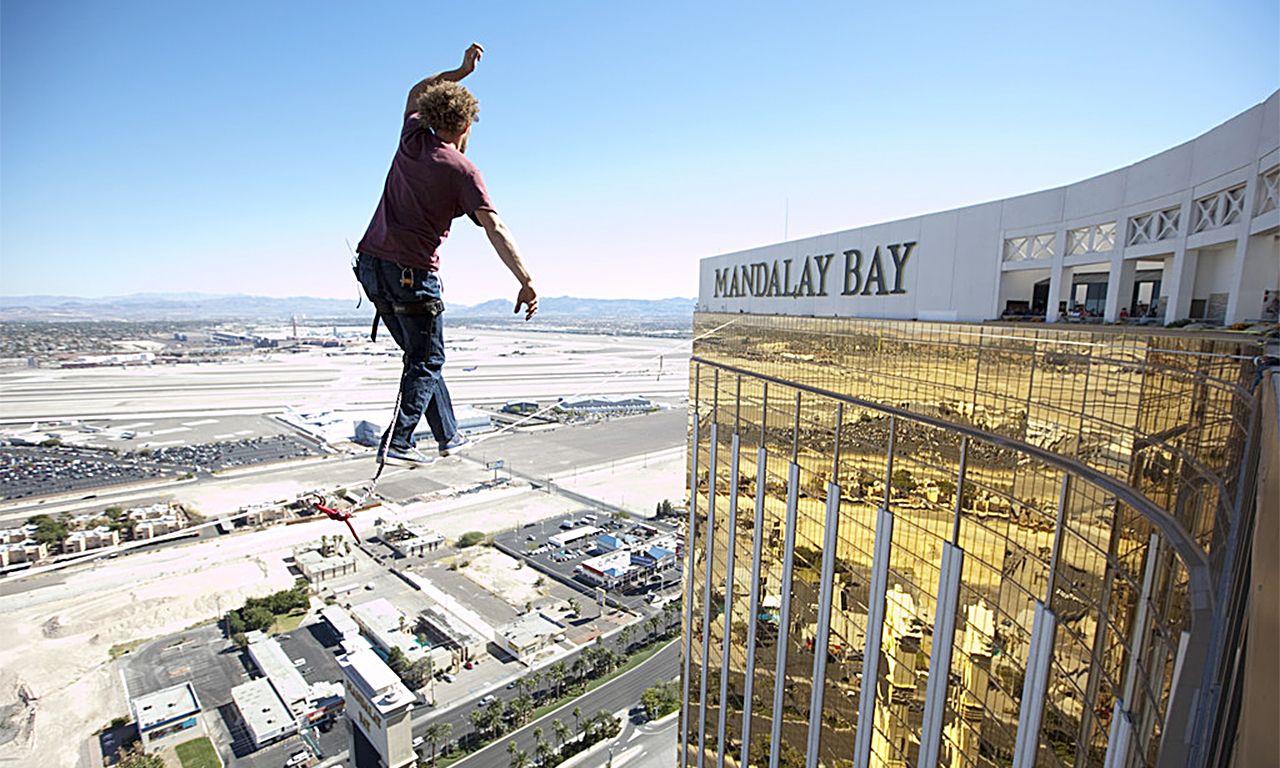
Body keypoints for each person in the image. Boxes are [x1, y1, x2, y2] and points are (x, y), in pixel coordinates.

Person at [355, 43, 537, 468]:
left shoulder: (413, 138)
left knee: (422, 359)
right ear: (467, 123)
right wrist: (526, 279)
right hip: (411, 276)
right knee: (427, 359)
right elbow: (495, 228)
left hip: (371, 268)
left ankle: (447, 436)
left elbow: (418, 89)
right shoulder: (462, 171)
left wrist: (460, 72)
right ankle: (399, 440)